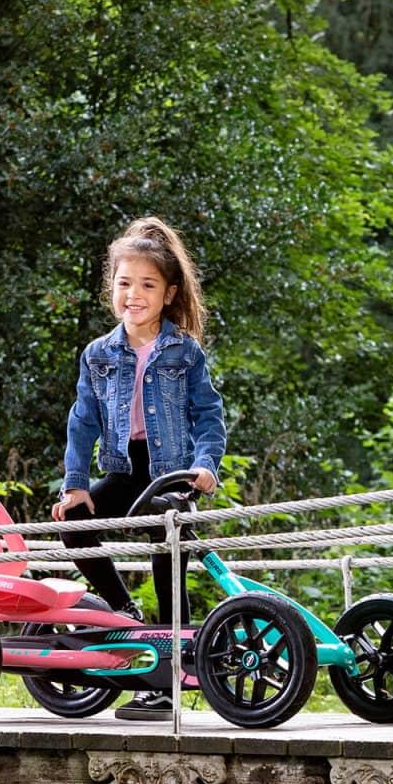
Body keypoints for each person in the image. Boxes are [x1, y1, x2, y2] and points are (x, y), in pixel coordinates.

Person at [52, 216, 226, 721]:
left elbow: (209, 416)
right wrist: (75, 485)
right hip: (125, 469)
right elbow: (81, 423)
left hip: (171, 472)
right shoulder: (97, 354)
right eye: (124, 283)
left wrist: (204, 466)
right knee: (75, 525)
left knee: (166, 552)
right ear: (112, 287)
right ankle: (124, 614)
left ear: (169, 293)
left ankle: (170, 678)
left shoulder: (184, 351)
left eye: (147, 285)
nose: (134, 294)